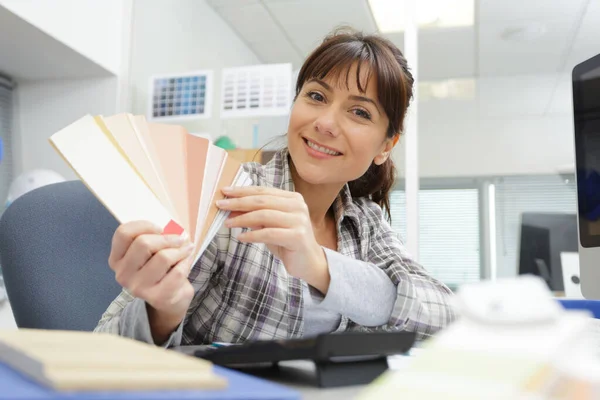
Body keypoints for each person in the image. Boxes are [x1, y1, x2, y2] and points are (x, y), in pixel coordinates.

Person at [95, 28, 456, 346]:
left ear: (385, 147)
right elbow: (101, 346)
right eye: (316, 96)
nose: (326, 123)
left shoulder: (365, 222)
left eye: (359, 112)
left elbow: (444, 317)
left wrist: (319, 265)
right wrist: (161, 315)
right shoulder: (227, 198)